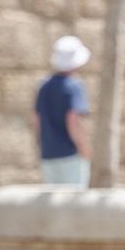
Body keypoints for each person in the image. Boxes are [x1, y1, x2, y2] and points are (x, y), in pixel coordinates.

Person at [34, 36, 92, 187]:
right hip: (70, 155)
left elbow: (37, 119)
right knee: (75, 204)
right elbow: (73, 120)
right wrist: (84, 149)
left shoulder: (44, 86)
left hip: (48, 154)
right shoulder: (74, 87)